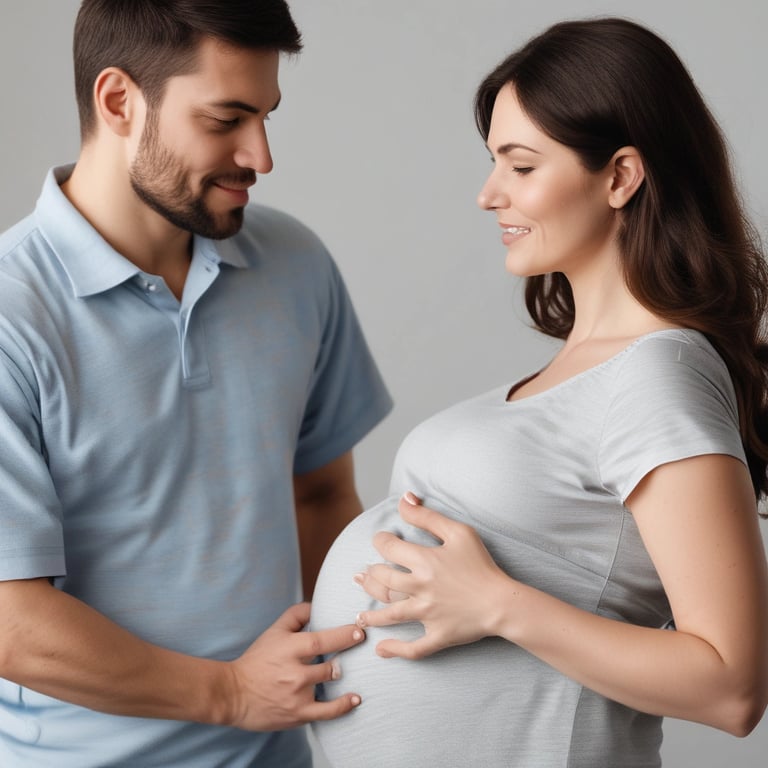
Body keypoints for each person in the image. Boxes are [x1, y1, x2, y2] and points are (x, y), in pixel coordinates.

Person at [309, 17, 768, 768]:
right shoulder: (578, 372)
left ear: (620, 176)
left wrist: (498, 605)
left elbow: (732, 685)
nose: (490, 194)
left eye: (520, 167)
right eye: (493, 162)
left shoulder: (659, 373)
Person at [0, 1, 393, 766]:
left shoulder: (296, 263)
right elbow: (9, 621)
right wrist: (234, 694)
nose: (261, 156)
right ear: (119, 101)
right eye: (226, 120)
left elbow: (319, 496)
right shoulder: (10, 314)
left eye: (267, 116)